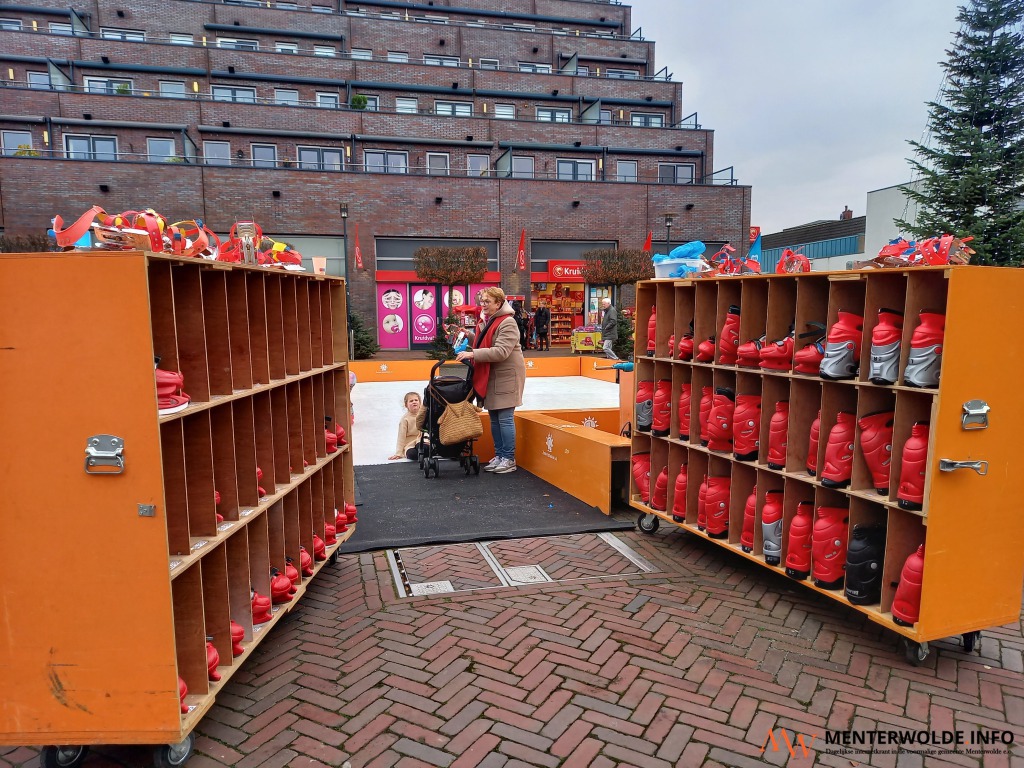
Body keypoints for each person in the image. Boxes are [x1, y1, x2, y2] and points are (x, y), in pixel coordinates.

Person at [455, 287, 526, 474]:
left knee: (504, 419)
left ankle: (509, 458)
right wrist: (469, 335)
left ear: (499, 303)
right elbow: (486, 341)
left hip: (506, 377)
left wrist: (472, 353)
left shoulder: (508, 322)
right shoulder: (488, 321)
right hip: (493, 376)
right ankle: (500, 455)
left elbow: (501, 351)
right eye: (482, 301)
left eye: (487, 301)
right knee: (495, 418)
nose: (483, 305)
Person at [388, 392, 423, 461]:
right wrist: (398, 453)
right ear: (406, 405)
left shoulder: (424, 415)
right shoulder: (405, 419)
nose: (414, 402)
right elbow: (401, 437)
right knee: (412, 454)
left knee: (423, 447)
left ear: (420, 403)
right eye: (411, 401)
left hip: (422, 440)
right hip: (410, 443)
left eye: (416, 400)